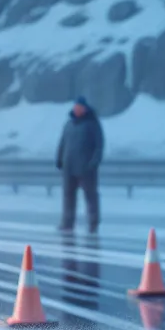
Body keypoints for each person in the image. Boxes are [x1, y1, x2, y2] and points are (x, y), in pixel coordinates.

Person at [55, 95, 104, 233]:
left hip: (86, 168)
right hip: (68, 167)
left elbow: (99, 145)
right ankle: (67, 223)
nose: (77, 110)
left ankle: (93, 223)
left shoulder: (92, 124)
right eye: (75, 107)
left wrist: (94, 163)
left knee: (90, 196)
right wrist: (59, 159)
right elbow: (62, 143)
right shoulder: (68, 124)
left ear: (85, 108)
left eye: (79, 107)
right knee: (68, 196)